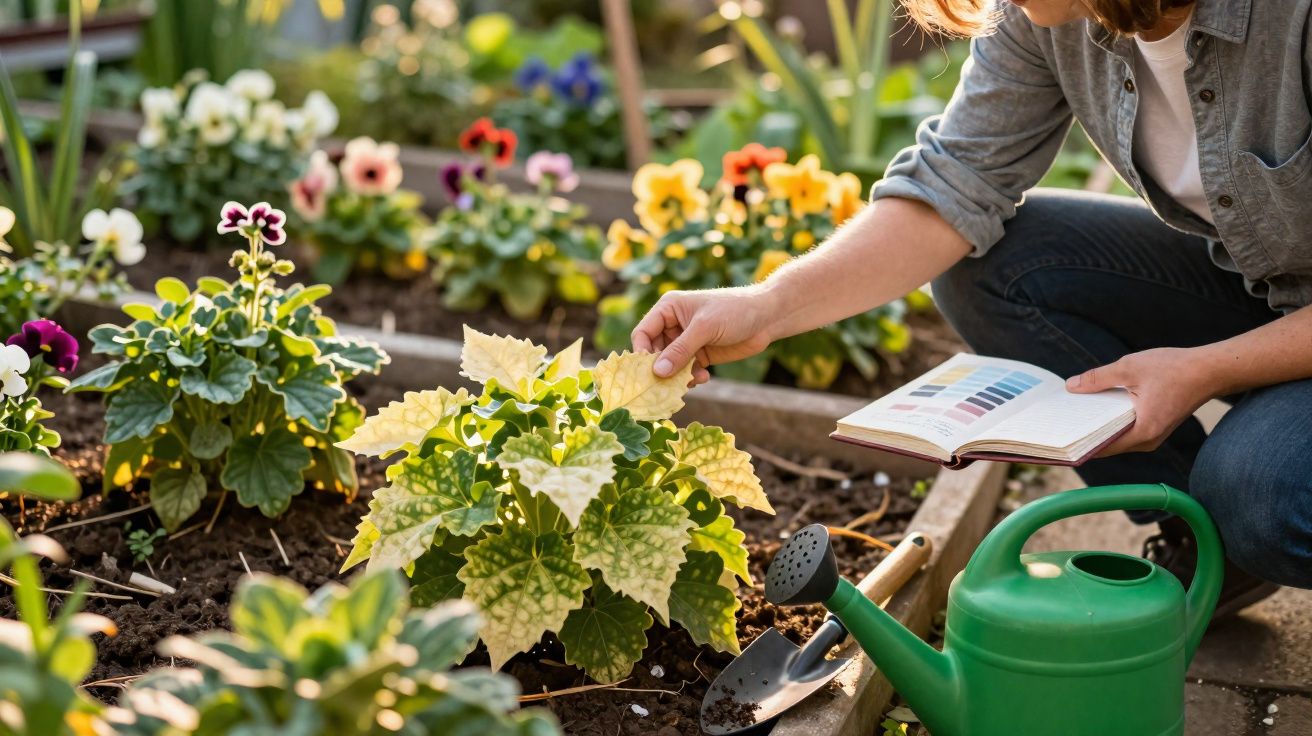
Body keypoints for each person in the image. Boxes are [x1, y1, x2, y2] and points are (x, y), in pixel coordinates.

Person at [631, 0, 1312, 618]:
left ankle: (1241, 520)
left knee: (1260, 494)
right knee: (995, 269)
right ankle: (1209, 547)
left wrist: (1206, 369)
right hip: (1262, 283)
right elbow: (954, 182)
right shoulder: (1049, 15)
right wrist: (766, 306)